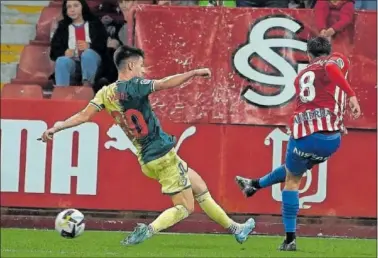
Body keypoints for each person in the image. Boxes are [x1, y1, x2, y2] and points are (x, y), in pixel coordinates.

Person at [40, 45, 255, 246]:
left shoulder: (106, 92)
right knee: (184, 207)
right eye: (141, 65)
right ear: (131, 65)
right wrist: (194, 73)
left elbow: (84, 116)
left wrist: (57, 127)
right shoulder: (135, 86)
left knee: (199, 187)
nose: (143, 70)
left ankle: (236, 229)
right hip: (162, 154)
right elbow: (164, 83)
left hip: (146, 157)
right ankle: (148, 230)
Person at [235, 36, 361, 251]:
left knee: (292, 181)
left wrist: (351, 96)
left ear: (309, 55)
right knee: (294, 171)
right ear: (328, 51)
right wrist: (348, 100)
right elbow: (331, 69)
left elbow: (329, 68)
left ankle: (289, 239)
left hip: (304, 135)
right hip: (331, 140)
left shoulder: (302, 75)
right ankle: (254, 185)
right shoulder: (337, 59)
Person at [50, 0, 108, 87]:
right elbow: (53, 51)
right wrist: (64, 52)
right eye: (69, 7)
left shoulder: (95, 24)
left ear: (83, 7)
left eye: (76, 6)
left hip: (94, 65)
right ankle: (61, 91)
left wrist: (90, 46)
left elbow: (103, 45)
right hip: (73, 64)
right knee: (62, 60)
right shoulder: (63, 27)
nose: (72, 10)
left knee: (88, 54)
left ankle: (86, 86)